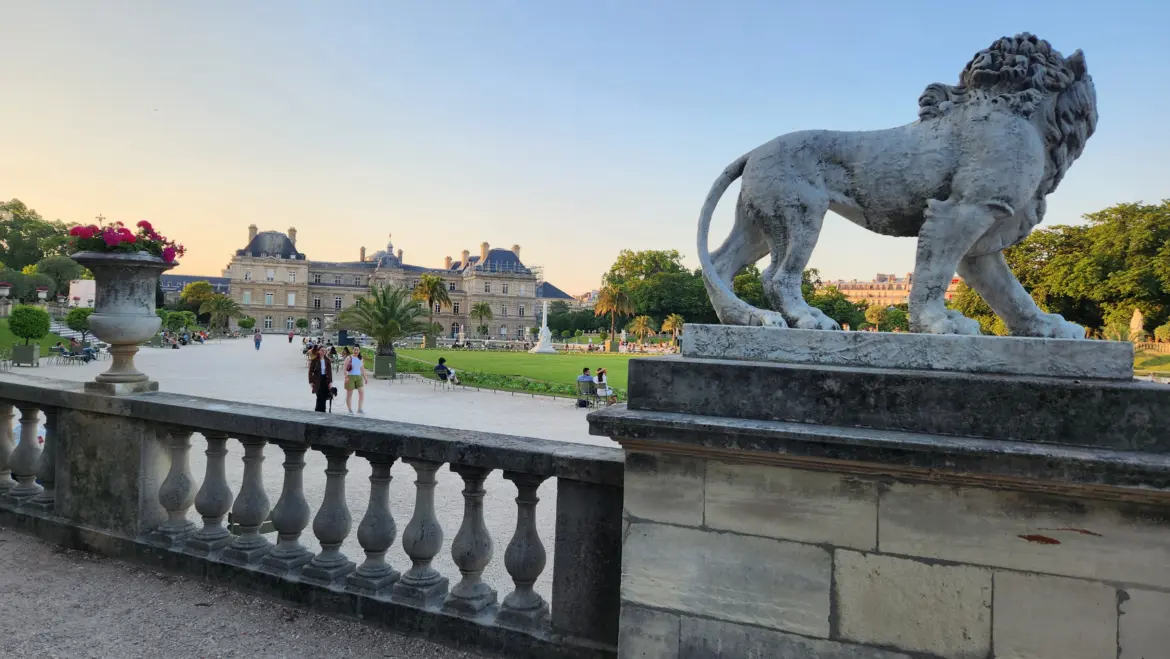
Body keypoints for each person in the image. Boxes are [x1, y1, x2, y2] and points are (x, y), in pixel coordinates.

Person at [342, 346, 368, 414]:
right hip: (350, 376)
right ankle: (350, 410)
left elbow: (362, 368)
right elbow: (344, 367)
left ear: (359, 350)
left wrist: (365, 377)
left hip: (359, 377)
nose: (356, 351)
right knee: (349, 394)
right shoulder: (349, 358)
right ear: (352, 350)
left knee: (361, 393)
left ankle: (360, 409)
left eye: (357, 350)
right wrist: (346, 376)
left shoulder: (361, 358)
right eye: (354, 350)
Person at [308, 345, 333, 413]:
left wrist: (330, 382)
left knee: (324, 396)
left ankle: (323, 410)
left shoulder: (327, 360)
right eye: (321, 350)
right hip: (317, 380)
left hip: (325, 379)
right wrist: (311, 382)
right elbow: (310, 371)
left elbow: (330, 372)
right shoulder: (314, 360)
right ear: (318, 351)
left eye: (324, 350)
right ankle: (318, 410)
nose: (323, 352)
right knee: (319, 395)